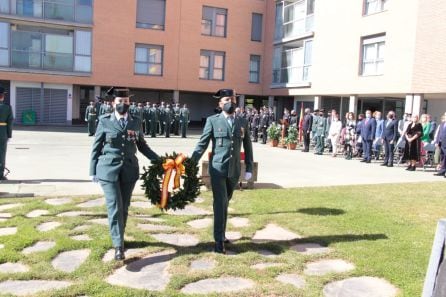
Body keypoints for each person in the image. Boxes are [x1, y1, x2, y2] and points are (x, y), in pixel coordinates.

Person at [89, 88, 160, 260]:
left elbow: (142, 145)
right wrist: (93, 170)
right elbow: (96, 146)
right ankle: (118, 246)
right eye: (120, 102)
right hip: (108, 169)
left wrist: (159, 160)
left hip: (129, 169)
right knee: (115, 206)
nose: (123, 105)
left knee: (125, 206)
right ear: (113, 103)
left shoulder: (135, 121)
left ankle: (119, 236)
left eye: (126, 102)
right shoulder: (104, 121)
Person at [191, 89, 253, 254]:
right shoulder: (213, 121)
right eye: (226, 99)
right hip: (218, 169)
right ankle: (218, 240)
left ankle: (222, 234)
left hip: (234, 170)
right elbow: (202, 144)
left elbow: (248, 146)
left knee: (225, 203)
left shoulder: (242, 121)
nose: (230, 102)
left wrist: (249, 166)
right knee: (220, 204)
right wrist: (191, 162)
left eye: (232, 99)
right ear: (220, 103)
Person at [0, 87, 13, 181]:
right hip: (2, 132)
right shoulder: (7, 107)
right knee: (1, 153)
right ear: (2, 96)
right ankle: (0, 174)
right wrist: (9, 135)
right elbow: (10, 122)